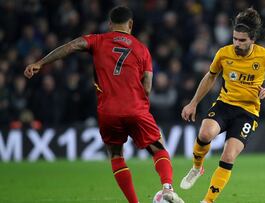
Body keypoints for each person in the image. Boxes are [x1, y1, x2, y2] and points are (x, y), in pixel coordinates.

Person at [24, 6, 184, 203]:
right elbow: (148, 86)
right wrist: (139, 106)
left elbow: (71, 46)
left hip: (108, 111)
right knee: (158, 149)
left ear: (110, 25)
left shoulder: (97, 40)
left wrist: (40, 63)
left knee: (116, 154)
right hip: (136, 108)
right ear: (131, 25)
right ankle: (167, 188)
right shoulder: (142, 49)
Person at [180, 8, 265, 203]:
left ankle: (207, 201)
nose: (237, 43)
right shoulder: (224, 53)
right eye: (235, 39)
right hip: (225, 104)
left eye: (242, 40)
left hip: (248, 112)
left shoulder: (264, 56)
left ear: (252, 40)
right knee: (205, 134)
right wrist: (193, 103)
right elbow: (210, 76)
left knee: (228, 157)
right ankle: (197, 168)